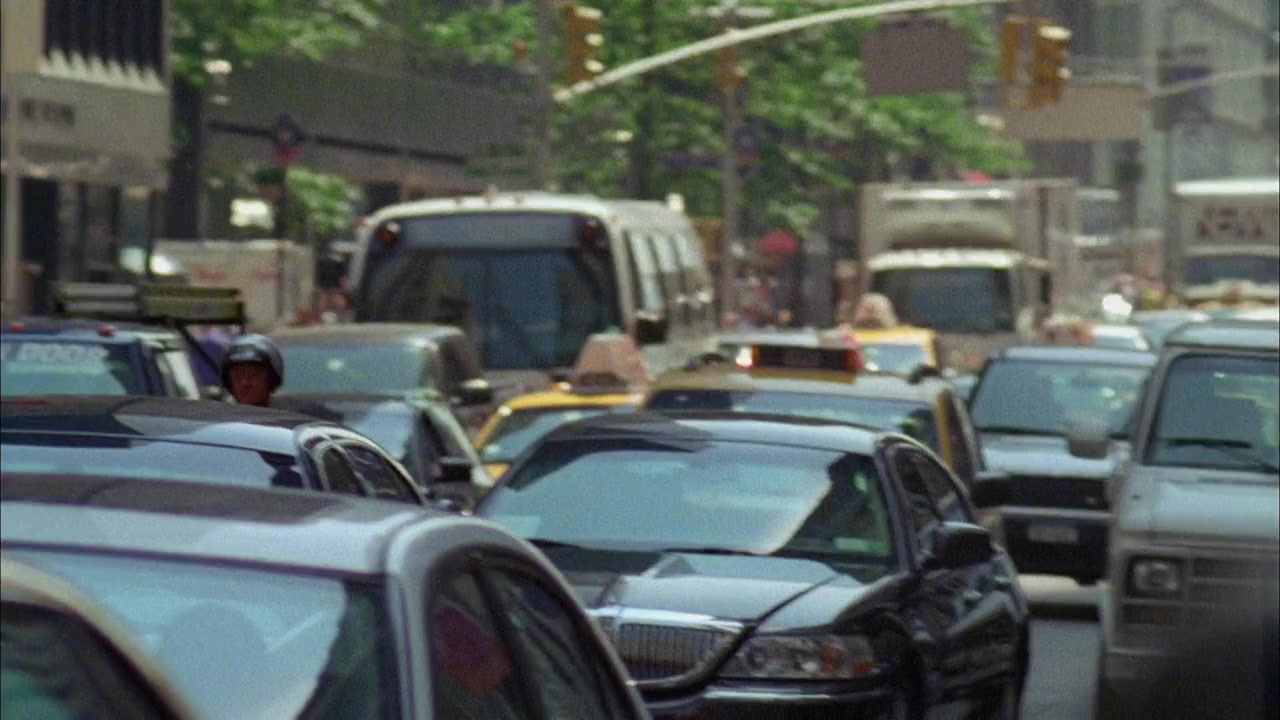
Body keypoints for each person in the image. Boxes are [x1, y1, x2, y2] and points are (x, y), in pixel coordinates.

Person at [219, 334, 284, 407]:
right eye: (237, 376)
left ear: (271, 379)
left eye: (253, 375)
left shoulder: (289, 412)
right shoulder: (219, 413)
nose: (245, 383)